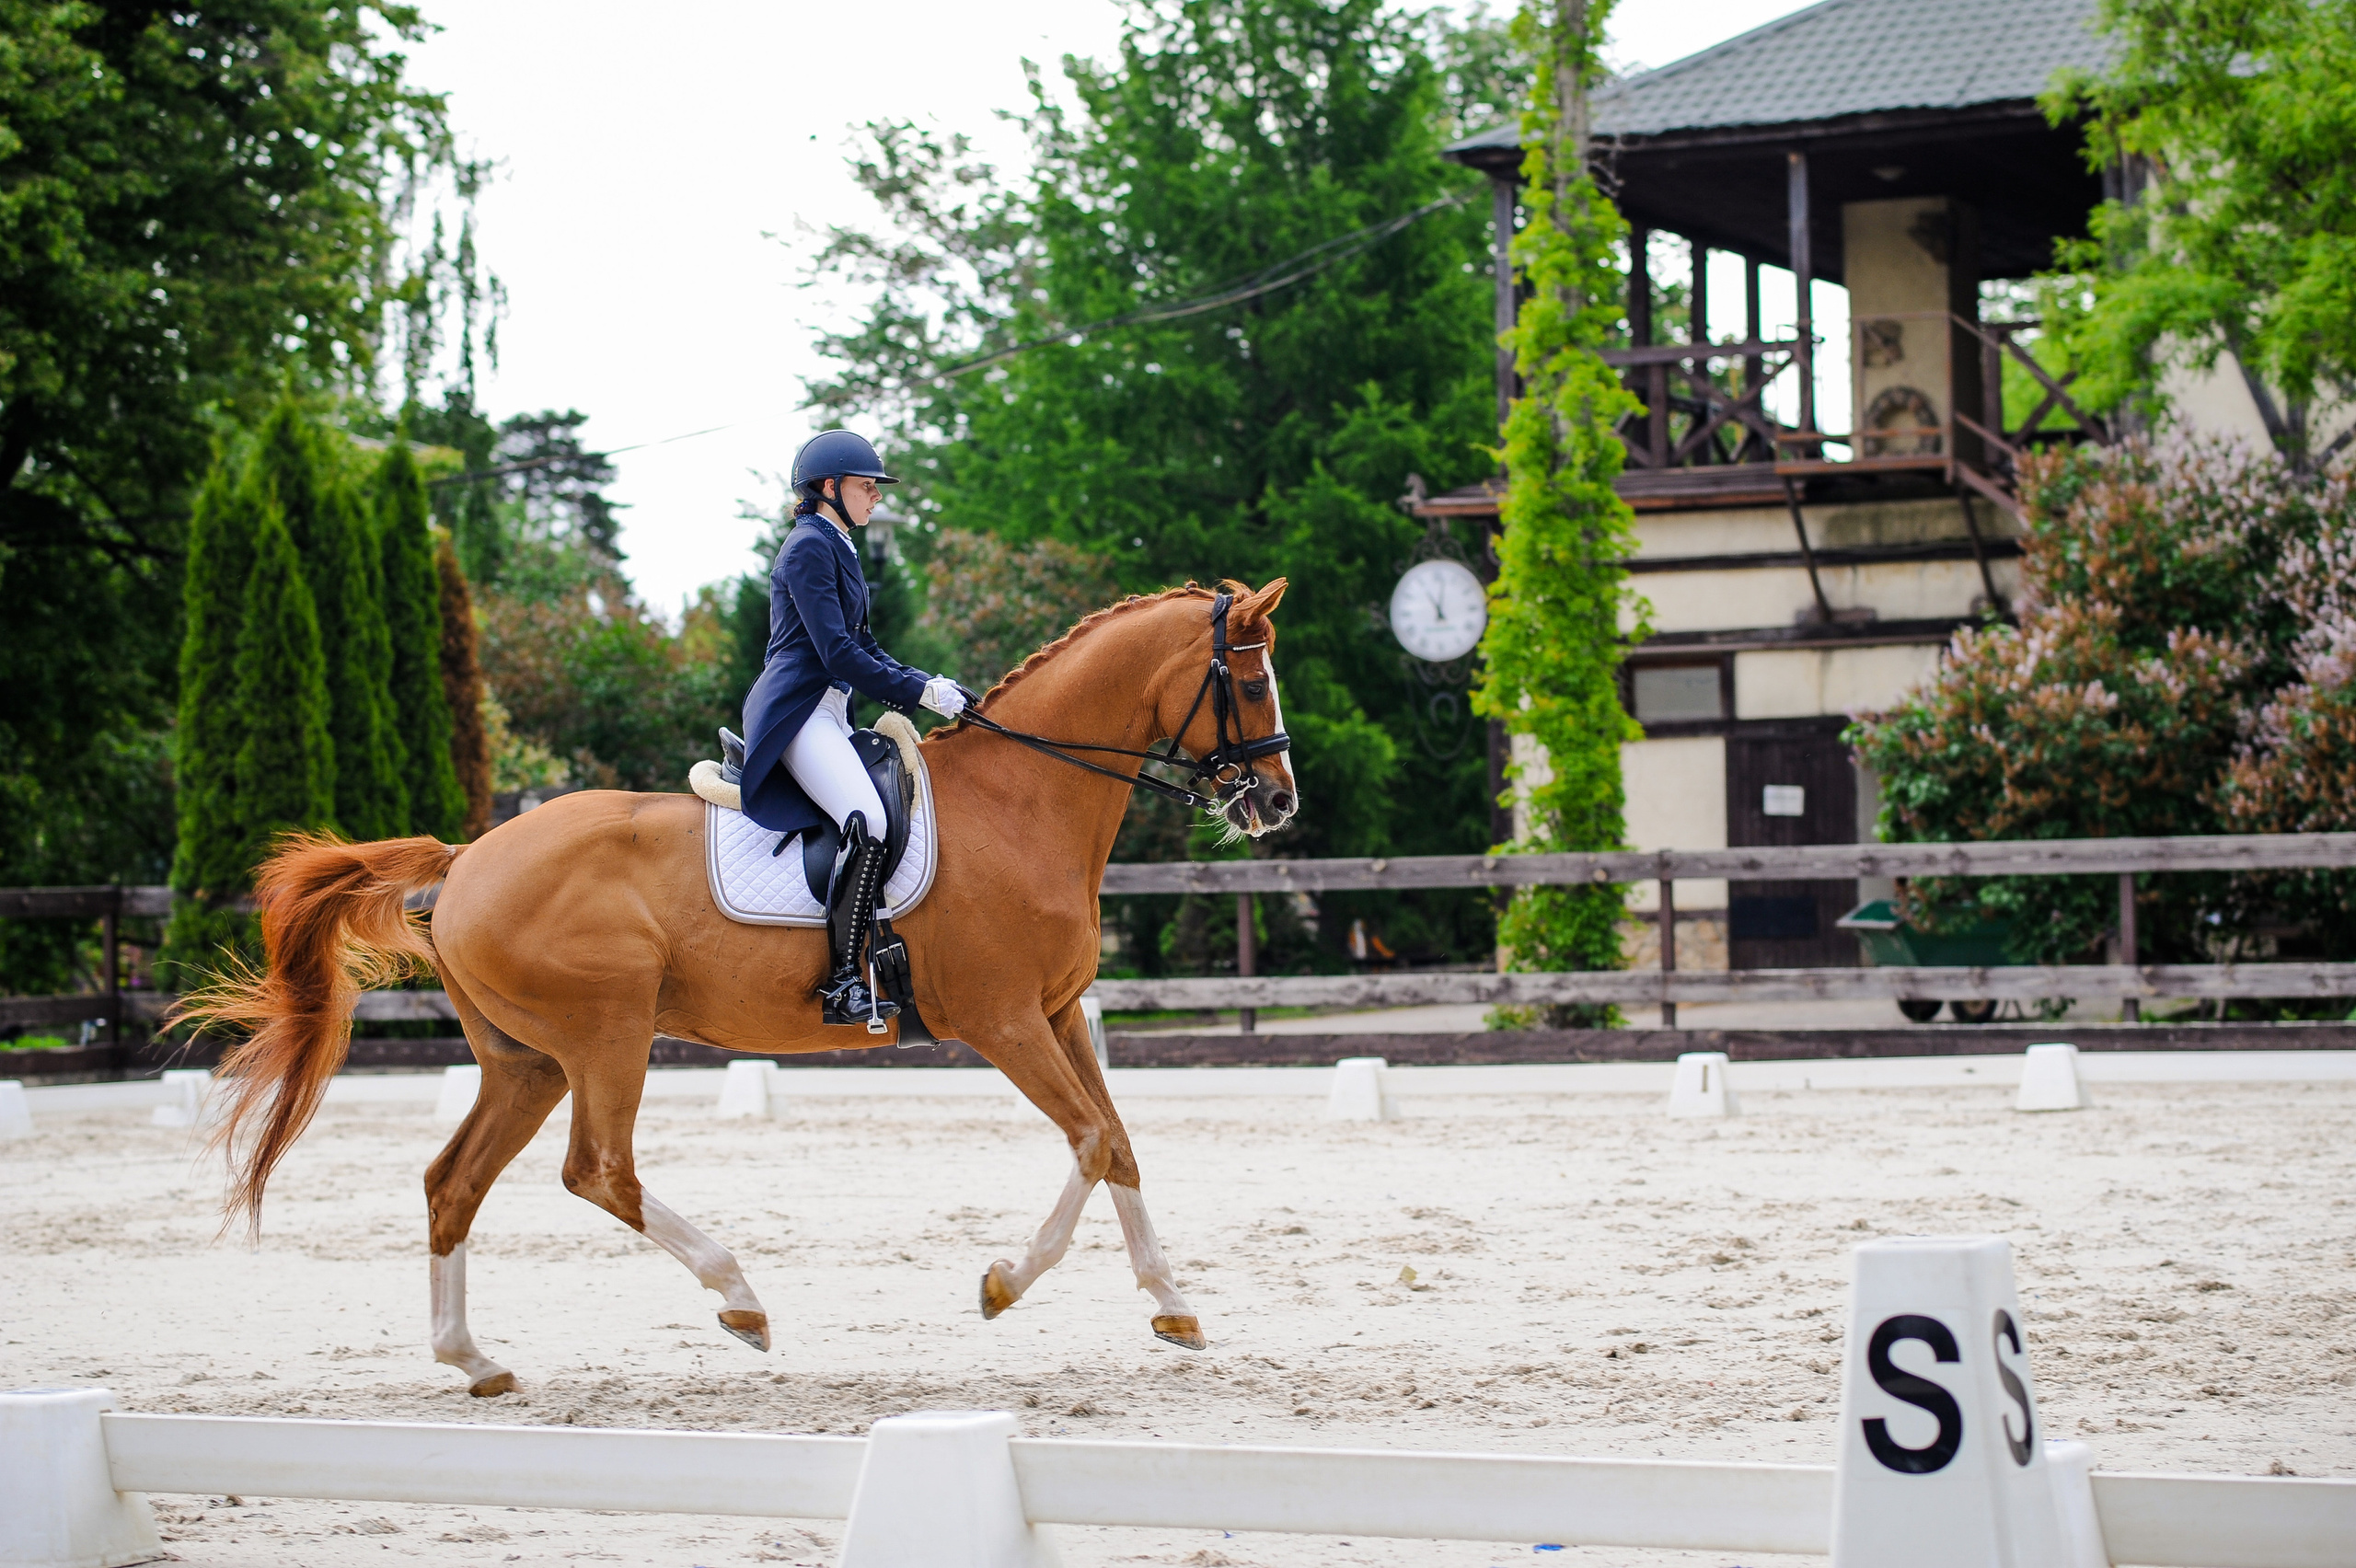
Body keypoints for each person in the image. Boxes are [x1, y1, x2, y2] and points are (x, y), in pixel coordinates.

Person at [736, 430, 965, 1026]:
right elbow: (837, 653)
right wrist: (919, 692)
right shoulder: (809, 547)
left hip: (830, 711)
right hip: (798, 711)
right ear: (830, 488)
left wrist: (926, 683)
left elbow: (865, 646)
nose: (876, 498)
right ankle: (840, 982)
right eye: (868, 488)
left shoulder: (836, 545)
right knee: (868, 820)